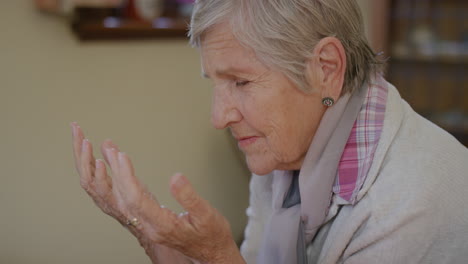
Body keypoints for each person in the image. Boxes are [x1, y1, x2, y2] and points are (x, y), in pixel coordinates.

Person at [71, 0, 468, 263]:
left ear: (326, 68)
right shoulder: (292, 147)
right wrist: (158, 241)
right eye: (215, 83)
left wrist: (218, 255)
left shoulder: (404, 209)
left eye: (241, 82)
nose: (219, 116)